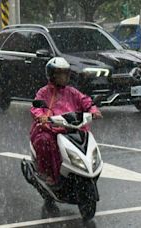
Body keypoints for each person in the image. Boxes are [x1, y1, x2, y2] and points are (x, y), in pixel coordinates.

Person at [30, 57, 102, 185]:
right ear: (52, 75)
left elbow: (86, 101)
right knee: (45, 141)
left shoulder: (72, 92)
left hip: (73, 128)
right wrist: (42, 116)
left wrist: (93, 110)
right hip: (50, 129)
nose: (63, 77)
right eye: (59, 73)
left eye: (65, 73)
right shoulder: (44, 92)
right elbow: (36, 108)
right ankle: (48, 173)